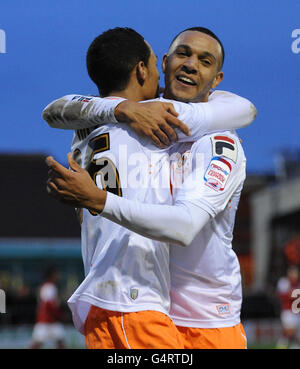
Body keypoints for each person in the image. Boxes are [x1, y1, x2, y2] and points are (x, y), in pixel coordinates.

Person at [45, 27, 256, 349]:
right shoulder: (129, 120)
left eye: (205, 60)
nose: (190, 64)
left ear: (216, 81)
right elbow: (56, 110)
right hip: (143, 304)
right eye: (183, 54)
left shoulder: (218, 139)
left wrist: (98, 200)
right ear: (164, 63)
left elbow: (245, 109)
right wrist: (124, 110)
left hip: (208, 320)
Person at [30, 267, 66, 349]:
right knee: (36, 344)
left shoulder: (49, 286)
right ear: (51, 275)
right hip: (46, 320)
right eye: (56, 274)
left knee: (60, 342)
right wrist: (59, 314)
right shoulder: (48, 287)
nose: (58, 276)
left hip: (52, 320)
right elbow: (48, 304)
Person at [276, 266, 300, 349]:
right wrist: (292, 295)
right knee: (289, 332)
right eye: (293, 272)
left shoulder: (298, 284)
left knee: (294, 336)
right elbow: (281, 295)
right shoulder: (284, 282)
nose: (295, 275)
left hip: (297, 313)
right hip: (287, 312)